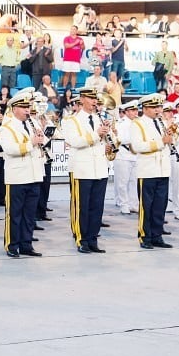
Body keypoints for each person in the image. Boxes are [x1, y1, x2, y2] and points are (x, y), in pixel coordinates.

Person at [63, 88, 110, 253]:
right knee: (81, 206)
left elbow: (101, 141)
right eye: (90, 98)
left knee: (97, 207)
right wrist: (97, 135)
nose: (94, 101)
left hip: (100, 169)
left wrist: (109, 141)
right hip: (82, 169)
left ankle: (93, 238)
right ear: (82, 99)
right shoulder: (71, 120)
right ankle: (81, 239)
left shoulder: (99, 118)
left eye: (95, 98)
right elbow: (75, 141)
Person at [0, 93, 44, 258]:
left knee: (29, 213)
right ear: (15, 108)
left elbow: (39, 144)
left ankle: (26, 243)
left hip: (34, 174)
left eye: (28, 107)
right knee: (15, 213)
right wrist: (31, 143)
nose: (27, 111)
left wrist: (42, 138)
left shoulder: (31, 125)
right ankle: (12, 244)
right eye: (24, 108)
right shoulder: (7, 127)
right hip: (17, 176)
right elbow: (10, 149)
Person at [131, 94, 173, 249]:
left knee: (160, 206)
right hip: (147, 171)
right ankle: (145, 237)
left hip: (163, 170)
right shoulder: (138, 124)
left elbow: (169, 141)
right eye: (155, 107)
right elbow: (137, 146)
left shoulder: (161, 122)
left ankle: (157, 236)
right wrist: (161, 142)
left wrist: (172, 137)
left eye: (160, 107)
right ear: (145, 108)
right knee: (146, 207)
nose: (158, 110)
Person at [114, 100, 140, 215]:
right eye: (133, 110)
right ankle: (123, 204)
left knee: (134, 181)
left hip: (135, 155)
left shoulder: (137, 123)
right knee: (122, 182)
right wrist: (133, 140)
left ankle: (133, 204)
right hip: (123, 154)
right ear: (127, 112)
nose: (136, 112)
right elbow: (119, 139)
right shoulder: (121, 123)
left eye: (136, 110)